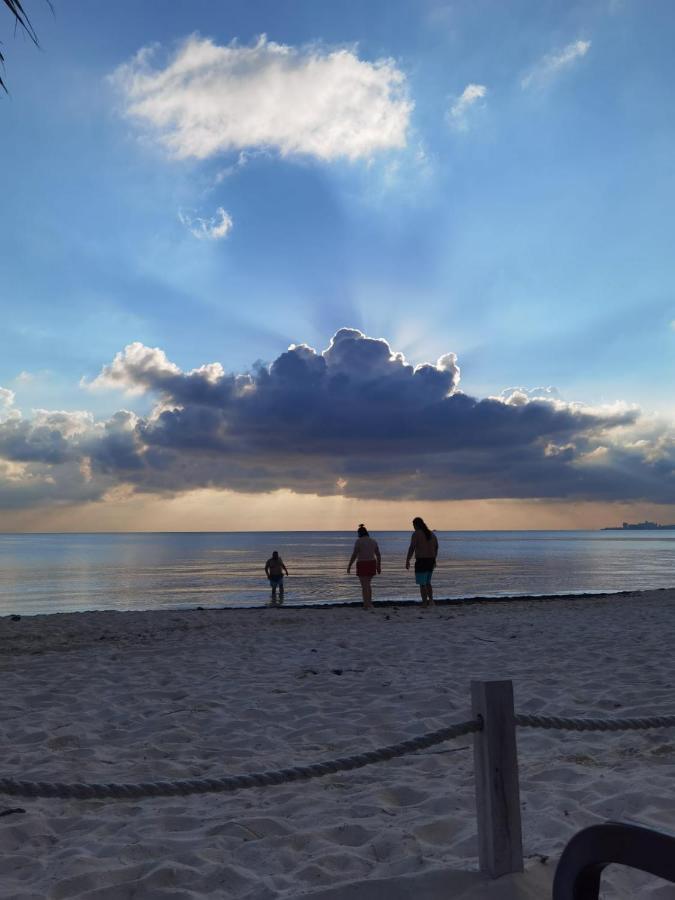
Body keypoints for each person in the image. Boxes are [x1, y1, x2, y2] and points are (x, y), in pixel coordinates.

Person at [406, 516, 438, 608]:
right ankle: (431, 601)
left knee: (422, 583)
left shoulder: (416, 534)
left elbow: (412, 548)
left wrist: (408, 560)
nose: (413, 527)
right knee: (428, 582)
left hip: (422, 561)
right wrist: (434, 559)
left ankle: (424, 603)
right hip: (431, 560)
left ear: (416, 525)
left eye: (413, 525)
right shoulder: (431, 534)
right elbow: (436, 547)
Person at [347, 524, 381, 609]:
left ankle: (366, 605)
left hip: (362, 564)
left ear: (359, 533)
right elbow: (378, 554)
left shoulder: (359, 541)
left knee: (364, 586)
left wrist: (349, 565)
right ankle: (369, 603)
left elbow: (354, 554)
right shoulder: (373, 541)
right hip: (372, 563)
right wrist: (378, 566)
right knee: (368, 585)